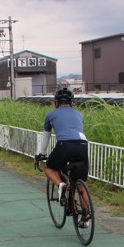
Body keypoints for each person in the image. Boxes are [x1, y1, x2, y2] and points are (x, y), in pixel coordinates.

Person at [34, 87, 91, 228]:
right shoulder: (79, 114)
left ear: (56, 102)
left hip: (64, 145)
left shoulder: (51, 115)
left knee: (49, 168)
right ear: (71, 103)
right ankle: (85, 218)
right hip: (82, 145)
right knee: (81, 181)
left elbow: (46, 137)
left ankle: (61, 185)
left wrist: (40, 154)